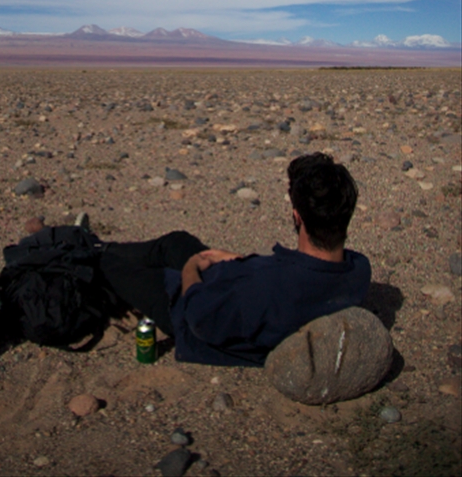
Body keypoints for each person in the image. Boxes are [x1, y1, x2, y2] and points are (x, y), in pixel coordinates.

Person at [98, 152, 371, 366]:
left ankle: (90, 251)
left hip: (181, 302)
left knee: (109, 266)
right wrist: (240, 260)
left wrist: (191, 269)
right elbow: (287, 274)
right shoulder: (357, 270)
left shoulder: (264, 287)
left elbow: (199, 318)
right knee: (176, 242)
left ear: (297, 216)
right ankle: (97, 245)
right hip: (233, 281)